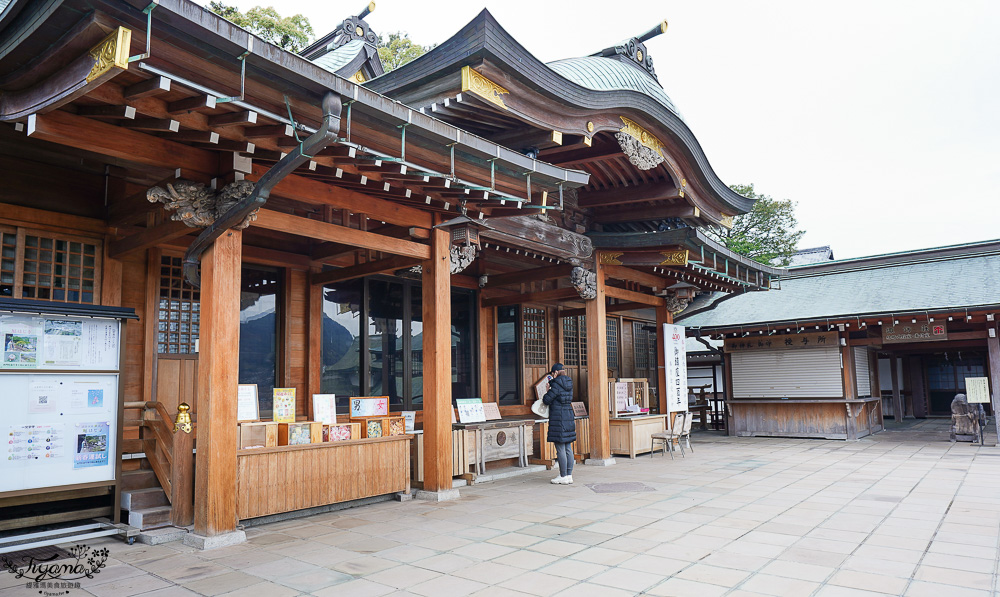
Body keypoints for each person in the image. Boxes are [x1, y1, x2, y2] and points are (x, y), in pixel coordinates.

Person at [543, 363, 577, 484]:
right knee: (568, 447)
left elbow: (546, 400)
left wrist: (548, 391)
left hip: (559, 417)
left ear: (555, 373)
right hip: (568, 415)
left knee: (560, 447)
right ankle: (569, 475)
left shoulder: (556, 384)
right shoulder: (569, 383)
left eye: (552, 374)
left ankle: (562, 476)